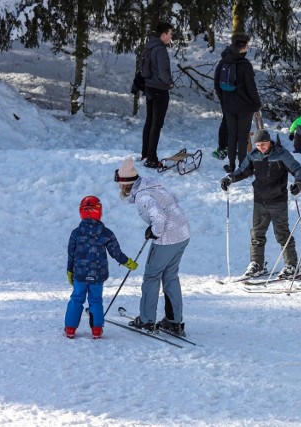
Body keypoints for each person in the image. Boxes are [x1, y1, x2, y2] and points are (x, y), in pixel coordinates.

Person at [114, 158, 191, 336]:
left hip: (168, 238)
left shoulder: (143, 196)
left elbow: (160, 218)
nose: (118, 187)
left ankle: (147, 320)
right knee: (170, 276)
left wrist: (155, 231)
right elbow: (174, 200)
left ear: (126, 184)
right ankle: (173, 321)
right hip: (182, 234)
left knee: (151, 276)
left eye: (119, 183)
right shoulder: (152, 185)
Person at [220, 129, 301, 279]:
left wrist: (298, 183)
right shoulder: (254, 155)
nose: (261, 148)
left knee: (282, 234)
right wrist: (230, 178)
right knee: (257, 234)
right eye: (258, 145)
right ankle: (257, 264)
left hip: (278, 201)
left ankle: (292, 266)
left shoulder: (281, 154)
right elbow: (242, 171)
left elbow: (297, 169)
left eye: (263, 144)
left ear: (269, 141)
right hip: (259, 201)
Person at [65, 196, 138, 339]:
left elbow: (71, 254)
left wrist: (70, 270)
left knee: (76, 299)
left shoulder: (76, 233)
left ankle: (70, 329)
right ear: (99, 211)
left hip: (80, 275)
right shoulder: (106, 233)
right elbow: (116, 252)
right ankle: (97, 329)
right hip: (98, 275)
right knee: (96, 300)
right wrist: (128, 262)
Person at [214, 32, 262, 173]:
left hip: (229, 107)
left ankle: (231, 166)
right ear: (243, 47)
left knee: (232, 136)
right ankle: (243, 166)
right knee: (242, 138)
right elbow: (251, 87)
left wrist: (224, 100)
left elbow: (217, 84)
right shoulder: (245, 65)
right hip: (245, 107)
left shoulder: (223, 62)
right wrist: (256, 103)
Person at [141, 22, 174, 169]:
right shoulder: (160, 49)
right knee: (156, 124)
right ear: (164, 34)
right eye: (170, 34)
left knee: (149, 122)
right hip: (159, 89)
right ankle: (151, 158)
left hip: (149, 86)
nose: (171, 37)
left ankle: (145, 154)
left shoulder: (149, 46)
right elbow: (163, 71)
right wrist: (170, 83)